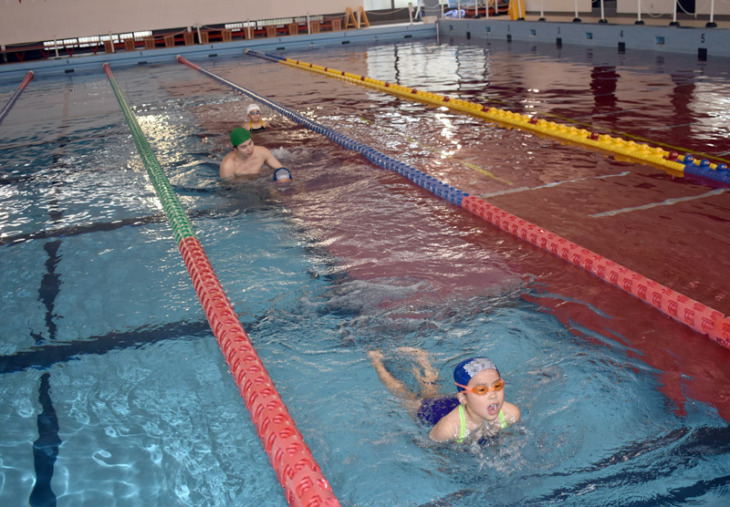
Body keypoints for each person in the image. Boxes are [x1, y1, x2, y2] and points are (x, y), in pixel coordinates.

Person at [368, 348, 520, 443]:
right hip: (433, 410)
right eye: (482, 390)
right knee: (404, 395)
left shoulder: (511, 414)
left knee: (432, 390)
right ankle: (377, 362)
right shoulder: (447, 429)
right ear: (463, 398)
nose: (493, 395)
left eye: (497, 386)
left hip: (459, 403)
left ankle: (423, 360)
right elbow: (429, 450)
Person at [220, 127, 287, 180]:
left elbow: (281, 169)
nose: (249, 149)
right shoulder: (227, 166)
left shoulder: (262, 152)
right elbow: (227, 190)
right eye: (244, 147)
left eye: (250, 143)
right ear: (235, 149)